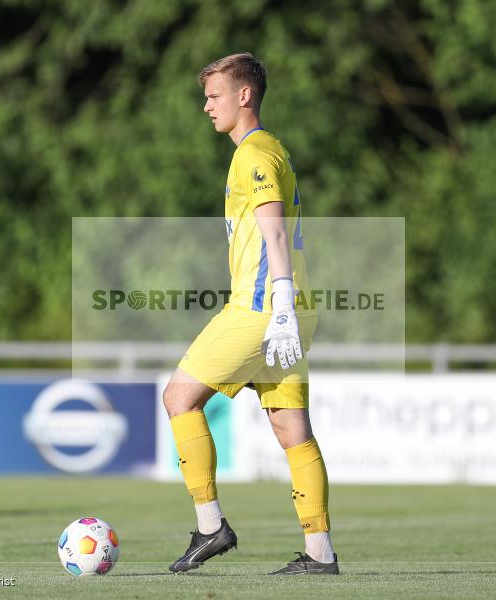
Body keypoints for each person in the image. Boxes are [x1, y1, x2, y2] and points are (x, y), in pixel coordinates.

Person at [163, 52, 338, 575]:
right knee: (292, 430)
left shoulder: (254, 154)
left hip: (264, 306)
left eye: (213, 95)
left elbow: (274, 231)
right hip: (291, 307)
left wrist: (279, 302)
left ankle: (211, 526)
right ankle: (319, 554)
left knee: (178, 397)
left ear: (244, 96)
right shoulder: (271, 148)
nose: (206, 106)